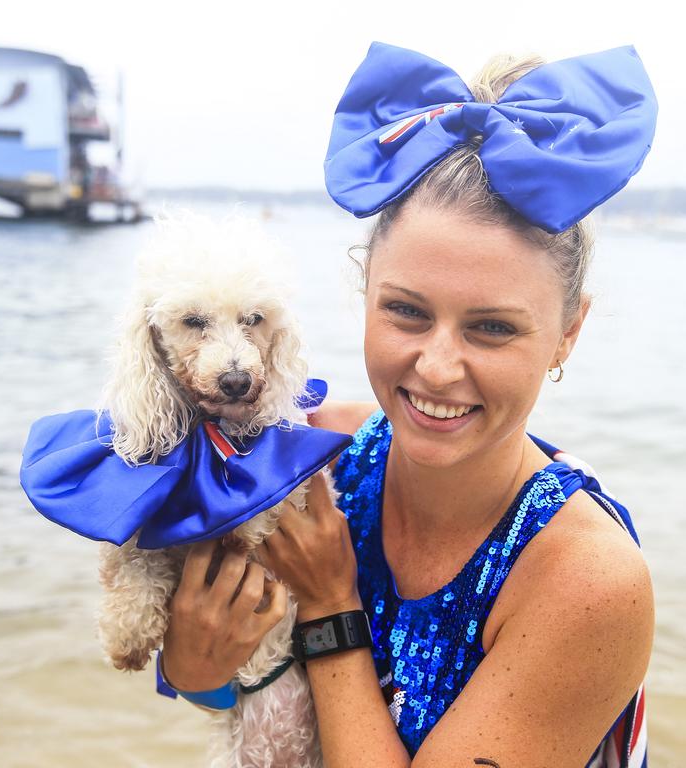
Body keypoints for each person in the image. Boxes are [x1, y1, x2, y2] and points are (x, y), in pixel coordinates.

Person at [160, 42, 658, 767]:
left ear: (567, 333)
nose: (437, 366)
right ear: (364, 294)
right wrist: (195, 668)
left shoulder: (585, 582)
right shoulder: (309, 454)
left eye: (492, 327)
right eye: (406, 312)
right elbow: (216, 679)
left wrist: (331, 604)